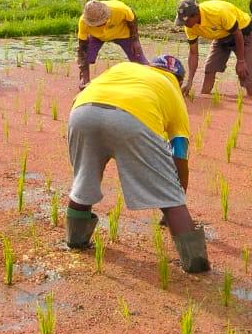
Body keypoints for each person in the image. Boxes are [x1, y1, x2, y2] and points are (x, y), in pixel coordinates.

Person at [65, 55, 209, 273]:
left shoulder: (125, 68)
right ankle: (195, 264)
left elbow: (83, 94)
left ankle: (74, 241)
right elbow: (179, 151)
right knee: (171, 198)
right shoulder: (172, 89)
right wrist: (177, 194)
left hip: (82, 112)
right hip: (132, 120)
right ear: (178, 80)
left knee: (84, 181)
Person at [175, 0, 252, 98]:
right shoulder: (189, 27)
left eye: (186, 21)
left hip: (242, 31)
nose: (185, 25)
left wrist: (241, 61)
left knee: (245, 71)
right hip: (221, 35)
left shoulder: (217, 13)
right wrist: (189, 81)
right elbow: (193, 53)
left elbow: (237, 34)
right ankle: (205, 98)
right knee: (210, 67)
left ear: (196, 15)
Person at [76, 0, 146, 89]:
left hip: (123, 34)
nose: (100, 25)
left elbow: (132, 21)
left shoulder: (120, 9)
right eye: (96, 24)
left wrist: (135, 40)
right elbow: (82, 48)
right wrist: (84, 78)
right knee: (86, 56)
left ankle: (147, 78)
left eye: (101, 22)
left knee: (139, 59)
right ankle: (85, 80)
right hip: (97, 37)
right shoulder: (83, 22)